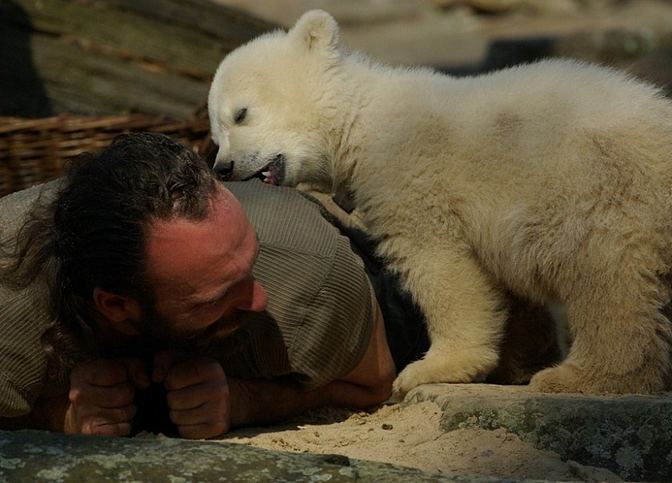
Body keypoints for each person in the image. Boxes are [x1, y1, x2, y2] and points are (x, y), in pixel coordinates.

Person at [0, 133, 560, 439]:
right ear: (116, 306)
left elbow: (371, 385)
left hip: (361, 278)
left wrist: (246, 401)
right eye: (219, 295)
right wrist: (56, 415)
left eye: (248, 265)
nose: (256, 298)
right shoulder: (9, 316)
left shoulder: (303, 277)